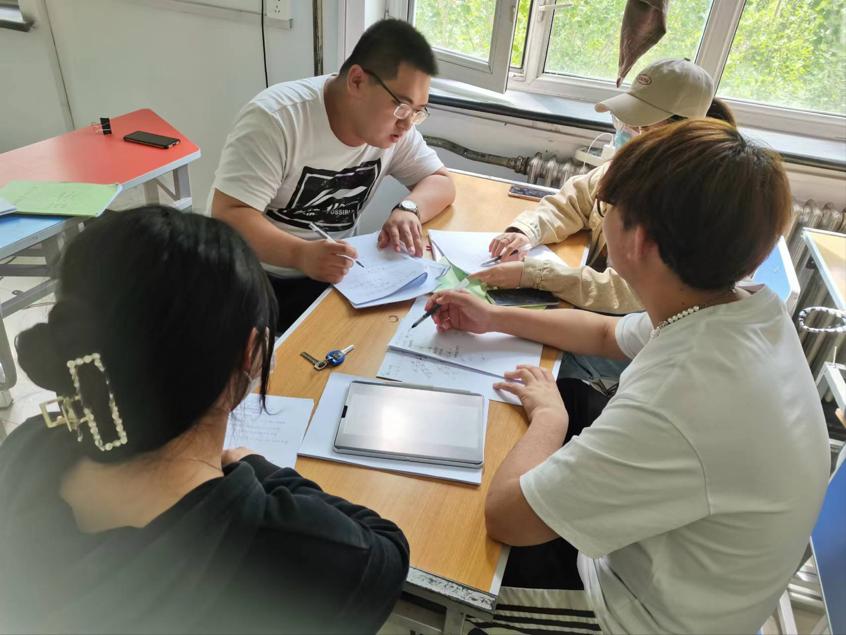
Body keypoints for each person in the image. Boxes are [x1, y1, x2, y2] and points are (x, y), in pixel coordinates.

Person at [427, 120, 829, 634]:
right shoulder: (741, 307)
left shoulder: (682, 397)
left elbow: (507, 518)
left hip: (635, 613)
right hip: (696, 568)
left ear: (637, 240)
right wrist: (494, 317)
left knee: (438, 554)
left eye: (606, 208)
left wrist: (551, 419)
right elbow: (605, 335)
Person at [0, 207, 409, 634]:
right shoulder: (300, 551)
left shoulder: (26, 446)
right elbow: (386, 548)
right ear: (251, 354)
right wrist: (257, 467)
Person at [210, 18, 455, 332]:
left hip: (330, 277)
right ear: (357, 81)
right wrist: (300, 254)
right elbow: (229, 215)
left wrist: (409, 209)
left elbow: (441, 182)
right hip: (249, 274)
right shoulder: (277, 119)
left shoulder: (395, 132)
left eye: (418, 111)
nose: (407, 124)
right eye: (401, 107)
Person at [474, 59, 735, 316]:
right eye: (625, 121)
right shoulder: (631, 165)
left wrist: (537, 275)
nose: (627, 133)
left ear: (682, 133)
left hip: (634, 325)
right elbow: (574, 201)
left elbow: (629, 292)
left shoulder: (691, 205)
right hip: (590, 300)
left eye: (642, 127)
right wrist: (527, 231)